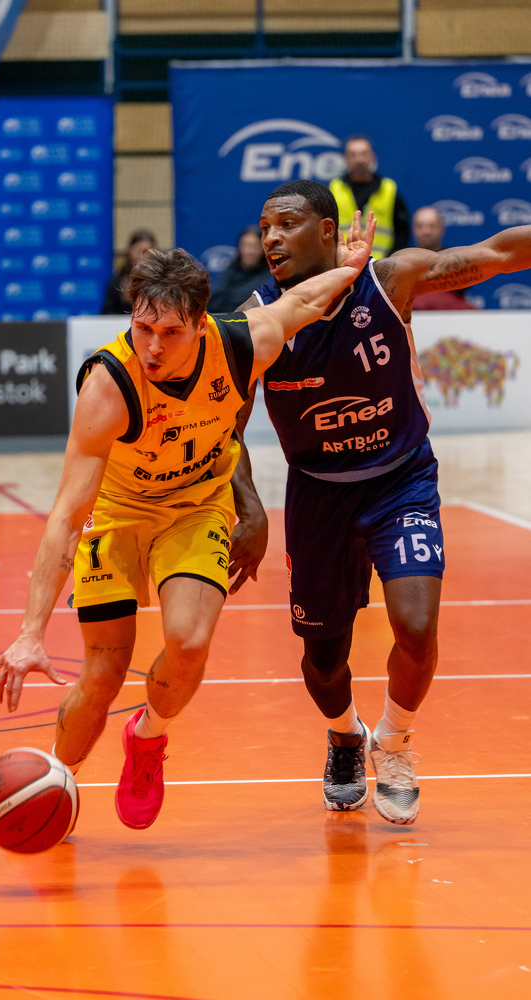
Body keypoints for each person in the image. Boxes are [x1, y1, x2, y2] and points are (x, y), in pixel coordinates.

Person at [0, 222, 375, 831]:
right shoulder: (109, 385)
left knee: (189, 644)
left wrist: (350, 268)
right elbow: (66, 514)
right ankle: (55, 785)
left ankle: (148, 737)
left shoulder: (242, 343)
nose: (153, 346)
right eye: (143, 327)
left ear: (200, 324)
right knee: (103, 676)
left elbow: (302, 301)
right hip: (118, 513)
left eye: (171, 332)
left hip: (196, 508)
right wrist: (30, 632)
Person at [233, 178, 531, 825]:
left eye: (285, 224)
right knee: (322, 661)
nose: (271, 238)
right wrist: (249, 508)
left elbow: (500, 253)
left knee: (417, 631)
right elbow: (223, 422)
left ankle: (393, 742)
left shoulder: (389, 282)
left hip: (401, 480)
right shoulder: (256, 320)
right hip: (318, 495)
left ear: (327, 231)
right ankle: (345, 736)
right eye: (264, 227)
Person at [330, 135, 409, 259]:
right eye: (353, 155)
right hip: (343, 262)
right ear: (345, 159)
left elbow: (402, 232)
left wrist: (390, 260)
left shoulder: (389, 189)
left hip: (381, 264)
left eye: (364, 154)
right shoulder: (334, 189)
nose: (359, 160)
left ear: (373, 156)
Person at [411, 206, 476, 310]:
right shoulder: (401, 262)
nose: (426, 232)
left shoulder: (457, 262)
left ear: (441, 228)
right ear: (413, 229)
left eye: (432, 226)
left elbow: (460, 299)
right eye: (420, 226)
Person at [208, 226, 270, 313]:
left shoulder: (270, 275)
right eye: (246, 246)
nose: (250, 251)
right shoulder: (231, 269)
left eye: (255, 246)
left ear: (263, 249)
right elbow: (215, 301)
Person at [101, 228, 157, 314]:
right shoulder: (116, 283)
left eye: (147, 252)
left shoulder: (160, 283)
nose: (142, 257)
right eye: (138, 251)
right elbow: (106, 315)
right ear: (129, 250)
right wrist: (125, 303)